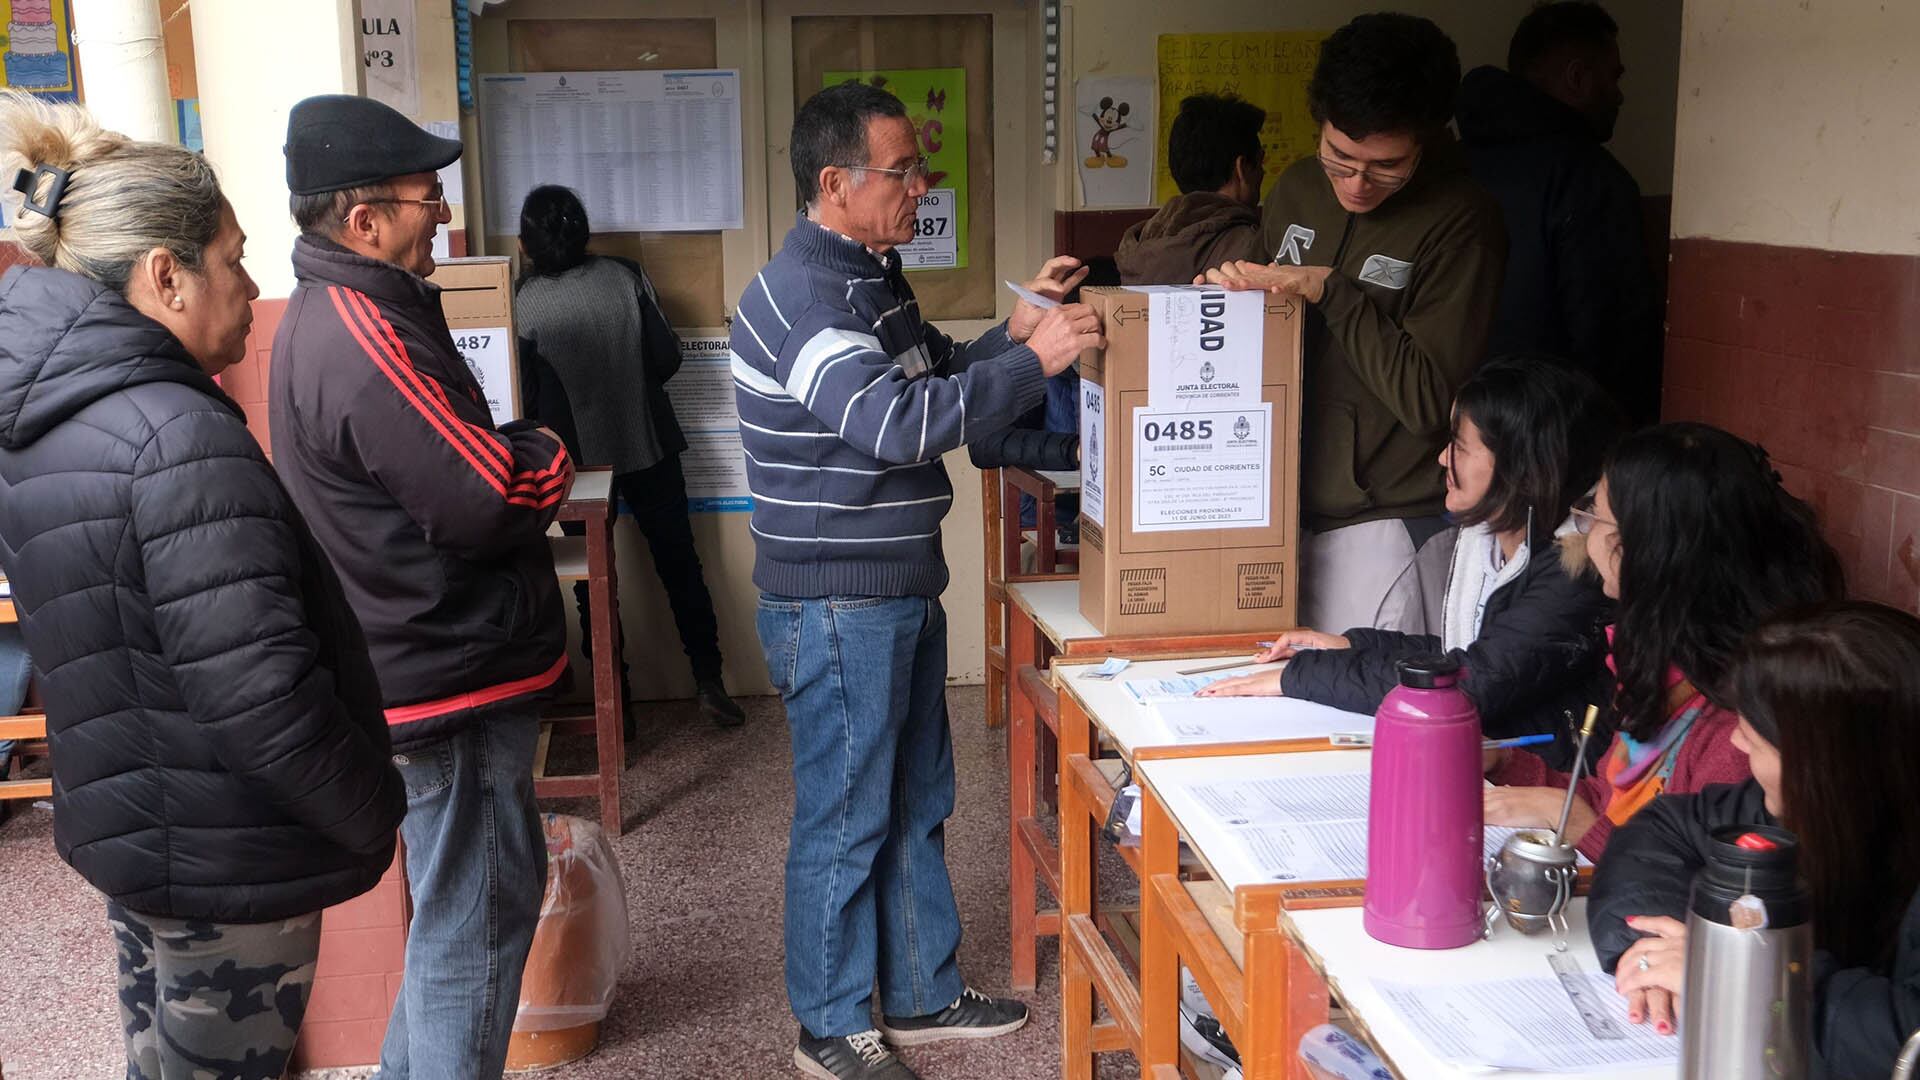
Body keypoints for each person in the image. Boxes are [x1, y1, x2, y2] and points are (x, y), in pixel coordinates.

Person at [0, 90, 404, 1078]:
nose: (251, 282)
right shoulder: (177, 438)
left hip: (141, 841)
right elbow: (260, 695)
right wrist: (372, 813)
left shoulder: (45, 423)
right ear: (166, 275)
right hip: (231, 866)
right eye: (232, 259)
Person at [732, 81, 1104, 1080]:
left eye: (917, 169)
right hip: (837, 597)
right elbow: (895, 425)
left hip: (891, 581)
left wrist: (1018, 329)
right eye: (901, 172)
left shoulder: (868, 273)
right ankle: (827, 1021)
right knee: (848, 810)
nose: (918, 187)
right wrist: (1036, 368)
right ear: (835, 182)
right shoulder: (807, 297)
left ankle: (923, 988)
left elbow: (931, 371)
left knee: (913, 794)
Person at [270, 95, 574, 1080]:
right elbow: (489, 494)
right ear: (363, 221)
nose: (441, 211)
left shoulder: (354, 308)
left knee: (458, 926)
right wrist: (549, 449)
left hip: (427, 659)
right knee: (475, 935)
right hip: (450, 675)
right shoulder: (362, 332)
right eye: (425, 194)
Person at [1201, 13, 1507, 638]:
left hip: (1387, 522)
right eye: (1340, 158)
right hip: (1277, 508)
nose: (1358, 183)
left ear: (1428, 138)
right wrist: (1223, 298)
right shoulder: (1297, 190)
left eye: (1386, 166)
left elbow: (1430, 401)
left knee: (1361, 716)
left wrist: (1331, 292)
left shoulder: (1462, 219)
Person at [1200, 357, 1621, 764]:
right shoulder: (1490, 539)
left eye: (1458, 445)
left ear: (1521, 466)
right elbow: (1468, 654)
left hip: (1550, 789)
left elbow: (1472, 683)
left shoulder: (1577, 568)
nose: (1442, 458)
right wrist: (1353, 645)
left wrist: (1300, 677)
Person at [1483, 422, 1845, 859]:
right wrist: (1503, 764)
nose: (1582, 533)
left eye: (1592, 514)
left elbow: (1714, 888)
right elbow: (1609, 803)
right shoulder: (1664, 665)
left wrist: (1580, 826)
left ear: (1642, 548)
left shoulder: (1743, 727)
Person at [1588, 602, 1920, 1075]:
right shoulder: (1790, 810)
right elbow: (1663, 831)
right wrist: (1657, 953)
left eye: (1755, 739)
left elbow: (1905, 1042)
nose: (1738, 747)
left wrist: (1739, 976)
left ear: (1830, 771)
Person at [514, 185, 745, 728]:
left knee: (594, 583)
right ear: (584, 232)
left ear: (526, 244)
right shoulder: (625, 275)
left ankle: (615, 707)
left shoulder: (521, 303)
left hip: (574, 465)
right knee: (680, 565)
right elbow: (666, 358)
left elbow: (523, 396)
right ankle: (709, 681)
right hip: (648, 444)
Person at [1457, 1, 1662, 424]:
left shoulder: (1449, 166)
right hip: (1552, 435)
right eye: (1613, 75)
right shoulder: (1592, 178)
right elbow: (1613, 339)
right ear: (1577, 78)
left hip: (1462, 425)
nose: (1620, 93)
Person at [1114, 92, 1268, 284]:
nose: (1263, 173)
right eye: (1260, 163)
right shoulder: (1252, 249)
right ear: (1242, 168)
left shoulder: (1146, 239)